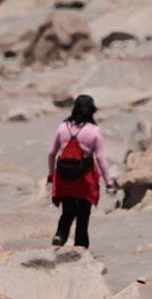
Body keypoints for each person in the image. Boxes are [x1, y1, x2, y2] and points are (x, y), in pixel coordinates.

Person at [46, 94, 116, 249]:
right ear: (91, 111)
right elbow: (101, 159)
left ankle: (60, 235)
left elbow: (51, 152)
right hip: (85, 177)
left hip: (64, 175)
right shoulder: (94, 131)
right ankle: (80, 246)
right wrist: (109, 183)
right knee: (83, 214)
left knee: (67, 210)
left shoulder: (63, 127)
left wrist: (51, 175)